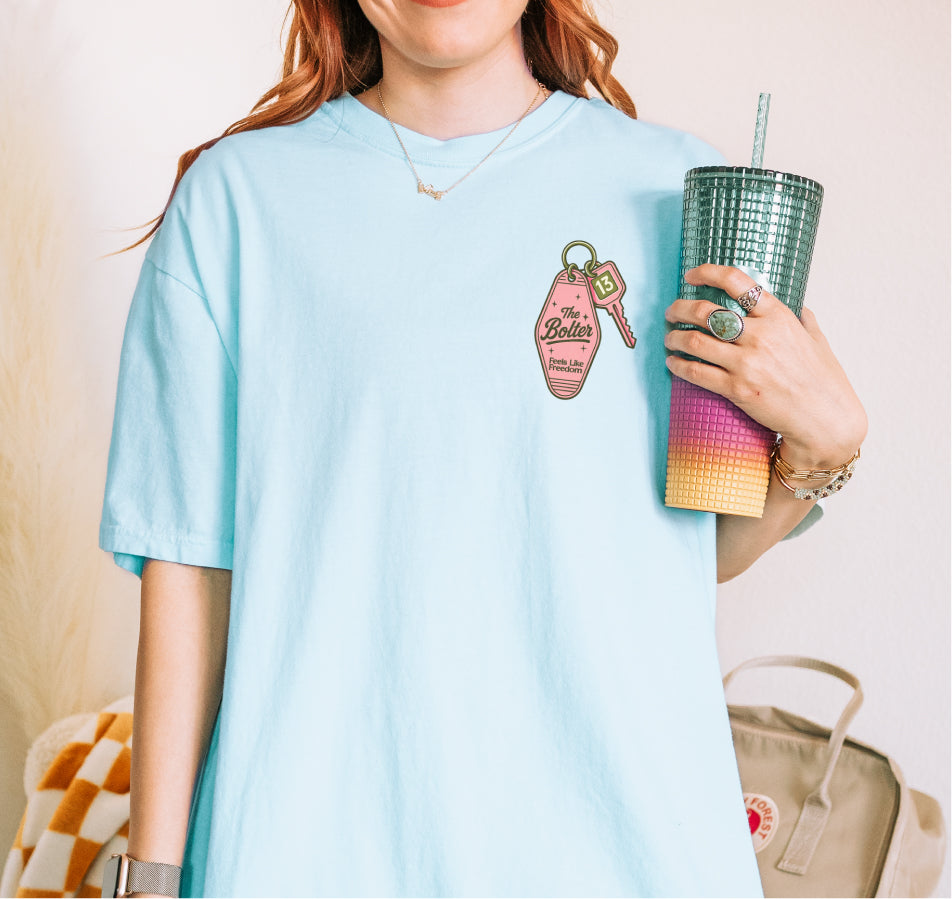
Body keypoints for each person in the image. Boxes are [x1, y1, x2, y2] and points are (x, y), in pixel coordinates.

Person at [98, 1, 867, 896]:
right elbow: (188, 571)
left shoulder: (679, 189)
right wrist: (147, 881)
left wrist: (825, 448)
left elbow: (693, 548)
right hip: (312, 853)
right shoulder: (235, 202)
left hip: (624, 853)